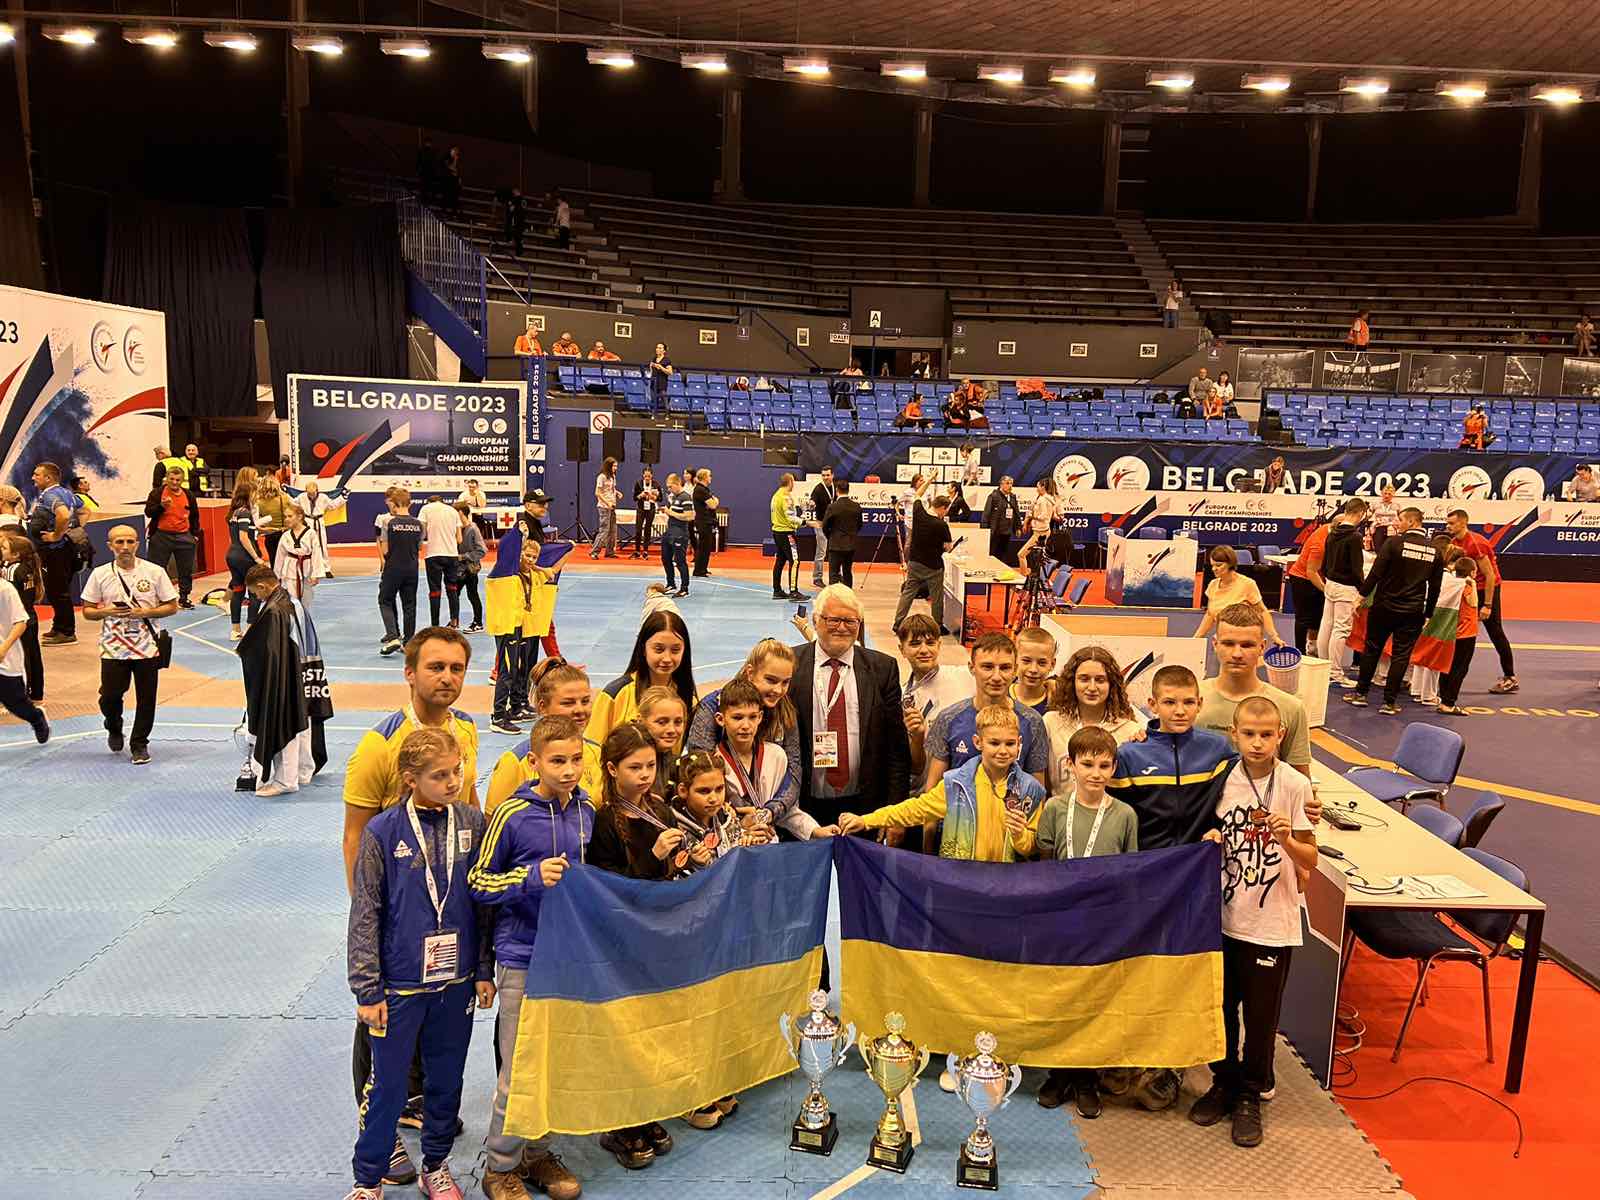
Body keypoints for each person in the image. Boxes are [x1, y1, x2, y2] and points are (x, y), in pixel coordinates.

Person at [346, 728, 493, 1200]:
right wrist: (367, 989)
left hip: (457, 979)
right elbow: (365, 912)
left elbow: (484, 906)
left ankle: (436, 1165)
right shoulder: (382, 832)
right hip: (400, 984)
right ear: (411, 779)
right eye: (439, 775)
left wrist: (484, 969)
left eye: (457, 772)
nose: (452, 782)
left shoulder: (474, 823)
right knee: (387, 1085)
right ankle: (368, 1179)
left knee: (446, 1080)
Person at [1106, 664, 1240, 1113]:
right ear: (1152, 705)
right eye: (1169, 702)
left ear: (1200, 704)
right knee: (1142, 970)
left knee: (1187, 972)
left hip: (1196, 882)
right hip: (1145, 881)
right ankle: (1134, 1057)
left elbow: (1251, 786)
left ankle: (1175, 1063)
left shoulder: (1217, 751)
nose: (1179, 711)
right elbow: (1114, 816)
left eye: (1187, 703)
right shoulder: (1130, 755)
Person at [467, 716, 588, 1200]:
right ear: (534, 762)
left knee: (555, 1065)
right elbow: (478, 881)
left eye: (576, 759)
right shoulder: (511, 815)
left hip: (568, 958)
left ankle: (537, 1154)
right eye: (557, 761)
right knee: (518, 1069)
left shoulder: (587, 810)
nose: (568, 770)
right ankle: (499, 1166)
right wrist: (530, 878)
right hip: (521, 956)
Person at [1189, 696, 1316, 1149]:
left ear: (1280, 735)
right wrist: (1210, 835)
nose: (1257, 743)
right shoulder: (1223, 779)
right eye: (1249, 734)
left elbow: (1311, 859)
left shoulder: (1294, 785)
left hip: (1271, 924)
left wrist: (1287, 841)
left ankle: (1250, 1092)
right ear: (1234, 735)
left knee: (1261, 1018)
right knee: (1222, 1008)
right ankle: (1224, 1082)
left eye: (1266, 735)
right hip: (1224, 917)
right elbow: (1207, 826)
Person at [1031, 725, 1140, 1117]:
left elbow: (1129, 870)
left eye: (1104, 765)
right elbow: (1045, 863)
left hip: (1102, 922)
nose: (1096, 773)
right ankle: (1058, 1074)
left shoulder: (1125, 815)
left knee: (1095, 999)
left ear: (1114, 768)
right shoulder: (1055, 808)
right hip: (1061, 919)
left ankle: (1086, 1078)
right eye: (1088, 764)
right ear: (1070, 765)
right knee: (1061, 997)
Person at [839, 703, 1045, 863]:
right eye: (994, 743)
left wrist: (1019, 835)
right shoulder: (955, 784)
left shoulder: (1030, 790)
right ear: (978, 742)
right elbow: (915, 810)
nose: (1003, 750)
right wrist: (866, 821)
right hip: (961, 880)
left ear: (1019, 743)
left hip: (1007, 884)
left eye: (1010, 743)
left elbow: (1033, 846)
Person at [792, 584, 912, 829]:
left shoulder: (883, 669)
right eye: (834, 620)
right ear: (815, 620)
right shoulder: (791, 664)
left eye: (850, 621)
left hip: (866, 807)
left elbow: (896, 749)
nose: (842, 627)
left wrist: (894, 813)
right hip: (803, 807)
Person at [79, 524, 178, 765]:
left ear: (137, 544)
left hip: (147, 645)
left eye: (130, 541)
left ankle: (139, 744)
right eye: (119, 542)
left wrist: (147, 612)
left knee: (147, 698)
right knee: (110, 695)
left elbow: (172, 606)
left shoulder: (154, 572)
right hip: (113, 646)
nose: (125, 547)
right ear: (110, 546)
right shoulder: (100, 574)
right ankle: (113, 725)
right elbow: (87, 611)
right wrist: (106, 611)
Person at [236, 565, 328, 796]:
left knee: (285, 721)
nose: (255, 598)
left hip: (286, 675)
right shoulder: (292, 601)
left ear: (262, 586)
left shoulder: (275, 611)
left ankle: (285, 781)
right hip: (304, 666)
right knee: (302, 719)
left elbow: (270, 651)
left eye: (255, 593)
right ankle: (304, 770)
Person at [1342, 507, 1444, 715]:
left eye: (1401, 520)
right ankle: (1389, 702)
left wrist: (1361, 596)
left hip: (1385, 607)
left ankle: (1361, 694)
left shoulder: (1393, 543)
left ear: (1413, 522)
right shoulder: (1435, 550)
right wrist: (1428, 613)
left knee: (1372, 649)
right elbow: (1435, 586)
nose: (1398, 524)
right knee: (1401, 655)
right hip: (1413, 610)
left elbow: (1375, 573)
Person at [924, 631, 1051, 792]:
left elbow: (1037, 793)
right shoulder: (948, 719)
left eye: (1005, 668)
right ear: (972, 668)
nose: (996, 677)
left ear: (1015, 670)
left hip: (1010, 808)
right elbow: (932, 790)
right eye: (987, 667)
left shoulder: (1032, 722)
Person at [1200, 604, 1314, 780]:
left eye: (1247, 645)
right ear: (1215, 644)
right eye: (1228, 644)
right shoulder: (1189, 701)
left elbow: (1301, 782)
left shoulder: (1291, 708)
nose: (1237, 654)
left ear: (1262, 647)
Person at [487, 659, 603, 814]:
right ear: (543, 707)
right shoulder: (514, 763)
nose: (580, 710)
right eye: (568, 703)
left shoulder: (598, 754)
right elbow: (495, 822)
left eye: (585, 701)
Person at [485, 529, 569, 736]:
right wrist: (518, 531)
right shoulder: (504, 574)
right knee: (506, 672)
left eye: (534, 557)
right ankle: (498, 716)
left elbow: (554, 569)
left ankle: (516, 707)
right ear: (519, 554)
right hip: (506, 627)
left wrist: (569, 550)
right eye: (527, 555)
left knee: (520, 670)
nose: (530, 560)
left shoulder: (534, 575)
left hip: (522, 628)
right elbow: (507, 550)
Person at [1043, 645, 1143, 796]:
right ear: (1072, 682)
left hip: (1110, 811)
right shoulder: (1051, 722)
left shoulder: (1131, 731)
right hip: (1060, 810)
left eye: (1100, 680)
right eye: (1084, 679)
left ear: (1111, 684)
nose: (1092, 687)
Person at [588, 608, 697, 744]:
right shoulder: (616, 694)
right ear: (643, 649)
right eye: (659, 649)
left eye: (675, 650)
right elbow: (592, 747)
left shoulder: (688, 699)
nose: (667, 658)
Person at [896, 613, 973, 793]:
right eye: (915, 644)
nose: (924, 650)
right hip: (923, 793)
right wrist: (916, 738)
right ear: (902, 649)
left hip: (964, 791)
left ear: (939, 644)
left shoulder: (966, 677)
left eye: (930, 643)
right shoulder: (900, 696)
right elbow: (913, 767)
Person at [1445, 508, 1516, 694]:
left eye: (1451, 523)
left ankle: (1510, 677)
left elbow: (1490, 575)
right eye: (1447, 523)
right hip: (1469, 588)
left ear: (1463, 523)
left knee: (1495, 632)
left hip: (1486, 590)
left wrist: (1487, 605)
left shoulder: (1476, 543)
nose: (1448, 526)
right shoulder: (1454, 542)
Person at [1315, 498, 1370, 686]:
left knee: (1327, 625)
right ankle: (1336, 673)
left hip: (1330, 583)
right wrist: (1363, 590)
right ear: (1360, 513)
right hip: (1346, 587)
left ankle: (1324, 668)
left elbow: (1324, 564)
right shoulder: (1354, 537)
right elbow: (1356, 568)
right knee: (1340, 629)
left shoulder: (1332, 532)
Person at [27, 462, 79, 645]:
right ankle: (59, 626)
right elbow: (85, 510)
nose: (33, 478)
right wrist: (73, 529)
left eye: (37, 474)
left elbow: (63, 515)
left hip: (56, 550)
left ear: (48, 478)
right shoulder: (66, 492)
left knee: (58, 591)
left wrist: (56, 535)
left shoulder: (51, 495)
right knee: (58, 589)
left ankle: (66, 632)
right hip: (64, 549)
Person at [1195, 545, 1284, 644]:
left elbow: (1263, 612)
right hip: (1223, 639)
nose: (1214, 569)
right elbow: (1210, 614)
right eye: (1212, 565)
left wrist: (1274, 637)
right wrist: (1196, 638)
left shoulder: (1247, 584)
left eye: (1218, 565)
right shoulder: (1213, 585)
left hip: (1245, 639)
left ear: (1230, 564)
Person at [892, 491, 953, 635]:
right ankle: (938, 625)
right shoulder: (941, 525)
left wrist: (929, 480)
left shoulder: (919, 514)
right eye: (946, 510)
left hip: (915, 563)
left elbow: (917, 494)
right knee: (936, 597)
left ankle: (898, 623)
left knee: (908, 593)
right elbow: (948, 547)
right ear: (942, 508)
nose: (945, 513)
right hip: (934, 567)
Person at [0, 566, 49, 743]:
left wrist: (4, 648)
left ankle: (36, 717)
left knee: (15, 703)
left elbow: (21, 622)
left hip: (5, 658)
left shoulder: (5, 589)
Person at [374, 487, 424, 656]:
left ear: (394, 504)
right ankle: (408, 642)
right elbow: (419, 547)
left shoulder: (388, 523)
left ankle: (393, 636)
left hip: (393, 568)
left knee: (385, 600)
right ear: (409, 504)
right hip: (412, 568)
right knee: (409, 605)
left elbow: (385, 550)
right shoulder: (418, 524)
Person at [143, 465, 199, 611]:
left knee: (185, 570)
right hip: (161, 536)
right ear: (166, 479)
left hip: (184, 536)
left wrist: (195, 535)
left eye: (177, 480)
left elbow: (195, 516)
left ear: (182, 480)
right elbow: (149, 512)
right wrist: (161, 506)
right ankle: (157, 598)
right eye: (172, 479)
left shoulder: (189, 495)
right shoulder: (157, 493)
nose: (174, 482)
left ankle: (184, 597)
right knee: (156, 569)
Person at [1, 534, 45, 701]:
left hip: (17, 620)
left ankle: (21, 694)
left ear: (15, 554)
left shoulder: (12, 570)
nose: (1, 551)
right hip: (30, 616)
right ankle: (37, 692)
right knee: (33, 654)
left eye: (4, 548)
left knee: (20, 657)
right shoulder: (29, 567)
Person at [1436, 557, 1482, 716]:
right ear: (1472, 572)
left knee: (1448, 666)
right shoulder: (1467, 586)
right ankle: (1448, 703)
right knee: (1459, 669)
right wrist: (1473, 585)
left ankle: (1444, 698)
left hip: (1451, 631)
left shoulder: (1452, 584)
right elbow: (1473, 603)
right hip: (1466, 634)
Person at [222, 482, 267, 639]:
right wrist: (256, 557)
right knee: (254, 593)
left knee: (238, 591)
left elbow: (236, 536)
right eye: (255, 493)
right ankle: (250, 630)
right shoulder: (245, 512)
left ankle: (235, 630)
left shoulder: (234, 512)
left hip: (232, 555)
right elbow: (243, 537)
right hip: (245, 557)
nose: (256, 496)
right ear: (249, 495)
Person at [1283, 518, 1328, 654]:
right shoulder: (1319, 545)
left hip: (1318, 577)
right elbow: (1311, 572)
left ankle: (1312, 646)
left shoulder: (1329, 529)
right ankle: (1300, 652)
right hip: (1301, 578)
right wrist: (1326, 590)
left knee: (1318, 616)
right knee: (1303, 618)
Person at [419, 494, 463, 628]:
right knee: (452, 589)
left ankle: (435, 625)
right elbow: (459, 539)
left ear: (430, 502)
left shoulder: (426, 509)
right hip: (451, 555)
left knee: (435, 591)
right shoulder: (453, 511)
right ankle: (454, 621)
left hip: (434, 554)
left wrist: (419, 545)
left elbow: (422, 532)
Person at [274, 504, 327, 611]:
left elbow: (316, 554)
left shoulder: (311, 533)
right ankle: (293, 620)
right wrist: (276, 576)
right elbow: (280, 557)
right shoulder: (286, 535)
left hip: (306, 571)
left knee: (306, 601)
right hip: (290, 571)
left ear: (300, 516)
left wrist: (316, 574)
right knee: (291, 601)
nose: (286, 519)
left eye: (290, 516)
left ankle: (303, 619)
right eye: (285, 516)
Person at [768, 473, 804, 600]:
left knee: (780, 560)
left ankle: (777, 590)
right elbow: (790, 517)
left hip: (777, 532)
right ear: (790, 482)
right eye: (793, 482)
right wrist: (804, 522)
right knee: (795, 561)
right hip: (786, 533)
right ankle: (793, 591)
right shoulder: (786, 497)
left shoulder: (776, 495)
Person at [821, 481, 863, 587]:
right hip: (850, 545)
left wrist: (830, 537)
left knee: (834, 574)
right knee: (847, 572)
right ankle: (848, 595)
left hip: (835, 545)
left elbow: (824, 526)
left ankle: (834, 595)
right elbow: (859, 525)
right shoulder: (856, 506)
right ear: (848, 490)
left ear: (837, 490)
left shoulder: (832, 507)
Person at [452, 503, 486, 633]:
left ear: (460, 513)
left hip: (470, 569)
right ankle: (454, 621)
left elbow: (482, 550)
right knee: (454, 595)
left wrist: (463, 557)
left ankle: (478, 623)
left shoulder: (473, 529)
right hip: (458, 569)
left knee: (472, 595)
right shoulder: (456, 529)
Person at [1012, 626, 1057, 717]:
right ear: (1014, 659)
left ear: (1052, 664)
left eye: (1042, 663)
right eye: (1026, 661)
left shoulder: (1056, 703)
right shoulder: (1000, 695)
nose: (1033, 669)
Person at [661, 473, 694, 596]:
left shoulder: (685, 497)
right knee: (665, 558)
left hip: (680, 533)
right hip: (670, 531)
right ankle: (671, 584)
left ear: (677, 484)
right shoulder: (674, 497)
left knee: (680, 561)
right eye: (668, 487)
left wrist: (671, 513)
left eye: (670, 487)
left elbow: (689, 516)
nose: (669, 489)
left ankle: (684, 588)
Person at [295, 480, 335, 577]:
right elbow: (292, 503)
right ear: (306, 491)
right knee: (306, 545)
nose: (311, 496)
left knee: (322, 546)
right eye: (309, 494)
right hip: (307, 521)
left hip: (319, 522)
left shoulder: (323, 497)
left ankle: (326, 569)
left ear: (317, 490)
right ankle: (307, 568)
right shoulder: (301, 497)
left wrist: (343, 497)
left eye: (313, 493)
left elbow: (333, 505)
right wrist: (284, 494)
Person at [1016, 476, 1059, 566]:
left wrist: (1032, 517)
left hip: (1040, 533)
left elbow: (1044, 516)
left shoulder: (1042, 499)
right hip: (1043, 531)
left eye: (1038, 487)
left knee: (1021, 555)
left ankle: (1025, 575)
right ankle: (1039, 574)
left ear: (1043, 487)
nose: (1037, 489)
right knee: (1040, 558)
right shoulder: (1049, 499)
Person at [983, 476, 1022, 567]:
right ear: (1001, 484)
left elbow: (1016, 513)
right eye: (1007, 483)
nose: (1010, 486)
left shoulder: (1012, 497)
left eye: (1011, 483)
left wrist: (1018, 527)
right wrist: (985, 529)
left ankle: (1000, 569)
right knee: (993, 553)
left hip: (1007, 530)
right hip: (996, 531)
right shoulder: (993, 496)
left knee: (1003, 553)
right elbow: (986, 513)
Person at [809, 467, 838, 588]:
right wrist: (811, 504)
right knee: (821, 552)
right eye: (823, 475)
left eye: (827, 475)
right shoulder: (818, 489)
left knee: (836, 551)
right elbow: (812, 502)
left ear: (832, 475)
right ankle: (817, 578)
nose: (825, 477)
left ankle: (836, 576)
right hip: (821, 524)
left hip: (834, 525)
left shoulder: (836, 487)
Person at [254, 473, 290, 564]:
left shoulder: (259, 502)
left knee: (274, 562)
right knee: (287, 562)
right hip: (284, 533)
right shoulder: (285, 498)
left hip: (269, 535)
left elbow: (256, 521)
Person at [691, 469, 719, 578]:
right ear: (704, 477)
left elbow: (711, 503)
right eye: (709, 476)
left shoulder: (704, 490)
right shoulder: (700, 490)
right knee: (703, 547)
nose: (711, 478)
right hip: (703, 521)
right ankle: (698, 570)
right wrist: (715, 501)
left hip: (706, 521)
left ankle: (703, 568)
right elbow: (713, 505)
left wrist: (713, 501)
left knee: (706, 547)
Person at [591, 456, 620, 559]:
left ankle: (609, 552)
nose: (616, 468)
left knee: (613, 530)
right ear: (608, 466)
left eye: (616, 466)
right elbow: (598, 493)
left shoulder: (612, 477)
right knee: (604, 530)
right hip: (604, 507)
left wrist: (617, 493)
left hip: (612, 506)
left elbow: (611, 489)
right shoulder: (601, 477)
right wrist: (607, 503)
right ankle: (594, 551)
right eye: (614, 466)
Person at [632, 468, 660, 559]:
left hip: (651, 508)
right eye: (645, 476)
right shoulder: (639, 483)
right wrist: (641, 495)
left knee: (648, 529)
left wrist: (652, 496)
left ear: (652, 475)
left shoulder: (656, 484)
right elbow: (634, 498)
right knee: (638, 529)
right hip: (641, 508)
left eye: (649, 476)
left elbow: (660, 499)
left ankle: (645, 550)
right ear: (643, 475)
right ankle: (637, 550)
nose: (647, 478)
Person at [1368, 485, 1399, 552]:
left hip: (1391, 530)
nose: (1387, 496)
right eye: (1385, 493)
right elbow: (1368, 516)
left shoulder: (1397, 506)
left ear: (1393, 495)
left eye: (1389, 494)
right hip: (1378, 529)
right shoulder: (1375, 504)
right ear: (1381, 493)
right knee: (1378, 550)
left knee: (1390, 550)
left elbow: (1400, 518)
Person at [648, 342, 674, 412]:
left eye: (660, 348)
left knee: (664, 400)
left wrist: (661, 367)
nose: (657, 349)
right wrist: (651, 367)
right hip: (653, 383)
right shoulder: (654, 359)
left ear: (664, 351)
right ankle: (654, 415)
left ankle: (667, 414)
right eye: (657, 348)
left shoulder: (666, 360)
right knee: (654, 401)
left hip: (662, 383)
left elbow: (670, 372)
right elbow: (651, 370)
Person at [504, 188, 528, 255]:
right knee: (518, 238)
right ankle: (518, 252)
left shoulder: (518, 200)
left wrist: (513, 208)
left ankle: (518, 252)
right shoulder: (520, 200)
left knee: (518, 237)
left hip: (518, 221)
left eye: (514, 192)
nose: (513, 193)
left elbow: (514, 210)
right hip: (519, 221)